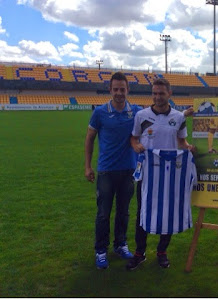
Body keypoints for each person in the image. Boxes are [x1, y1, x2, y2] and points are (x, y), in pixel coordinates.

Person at [127, 78, 194, 270]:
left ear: (169, 94)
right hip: (148, 174)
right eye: (154, 93)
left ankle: (162, 251)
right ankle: (140, 253)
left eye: (161, 93)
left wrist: (191, 149)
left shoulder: (178, 118)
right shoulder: (141, 115)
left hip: (171, 174)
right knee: (143, 211)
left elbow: (182, 143)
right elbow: (133, 138)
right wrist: (136, 145)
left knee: (169, 212)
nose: (157, 97)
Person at [84, 72, 142, 270]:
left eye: (122, 89)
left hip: (128, 171)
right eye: (115, 89)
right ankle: (101, 250)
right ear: (110, 90)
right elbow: (90, 138)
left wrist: (183, 114)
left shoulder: (136, 111)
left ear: (128, 90)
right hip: (106, 172)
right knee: (103, 213)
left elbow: (158, 116)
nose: (119, 93)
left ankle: (120, 245)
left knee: (123, 212)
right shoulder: (100, 112)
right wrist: (87, 166)